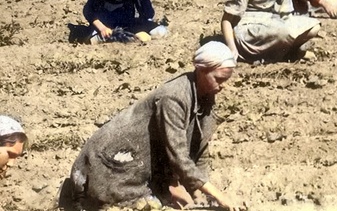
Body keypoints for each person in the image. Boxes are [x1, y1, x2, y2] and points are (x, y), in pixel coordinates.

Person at [64, 42, 244, 211]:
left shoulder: (206, 93)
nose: (222, 87)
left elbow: (200, 147)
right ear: (201, 70)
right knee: (150, 205)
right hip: (113, 162)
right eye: (219, 79)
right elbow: (179, 156)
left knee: (181, 201)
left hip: (141, 162)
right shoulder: (174, 97)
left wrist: (197, 193)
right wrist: (219, 196)